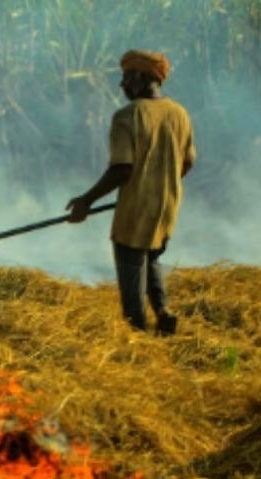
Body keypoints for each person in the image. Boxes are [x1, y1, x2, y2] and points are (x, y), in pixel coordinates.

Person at [67, 49, 195, 336]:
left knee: (131, 266)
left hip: (135, 211)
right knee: (152, 256)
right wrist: (160, 182)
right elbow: (187, 162)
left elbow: (122, 169)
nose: (122, 84)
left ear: (141, 77)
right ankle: (163, 310)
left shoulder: (128, 116)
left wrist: (85, 201)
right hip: (167, 210)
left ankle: (137, 329)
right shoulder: (180, 114)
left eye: (126, 77)